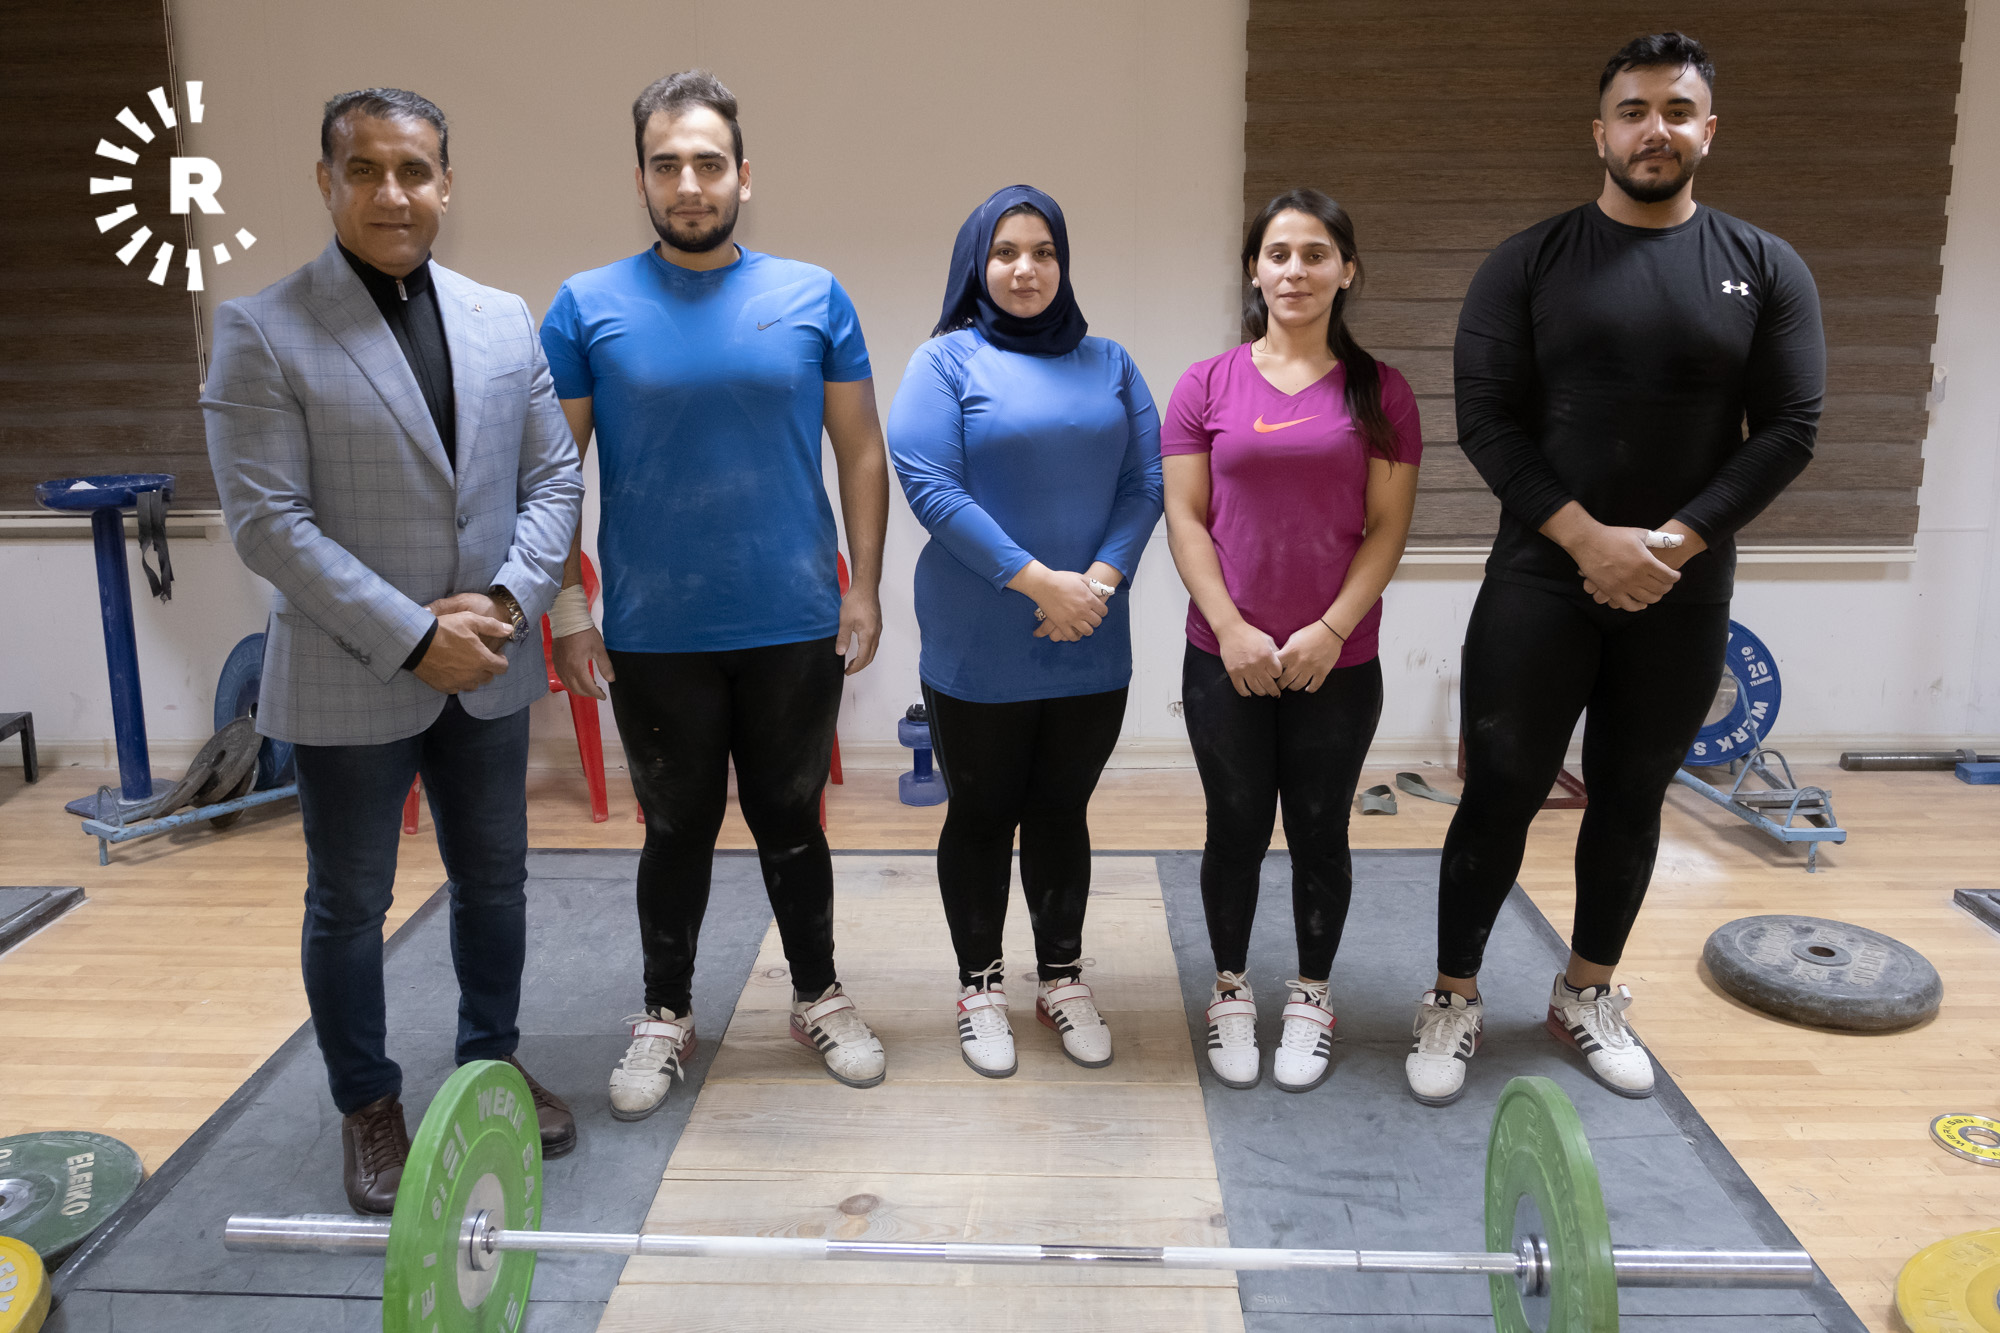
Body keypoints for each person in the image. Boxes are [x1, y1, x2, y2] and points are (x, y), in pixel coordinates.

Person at [1407, 32, 1823, 1106]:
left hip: (1681, 589)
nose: (1654, 129)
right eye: (1633, 111)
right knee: (1500, 791)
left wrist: (1669, 546)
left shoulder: (1765, 266)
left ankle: (1584, 992)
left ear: (1707, 131)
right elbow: (1486, 422)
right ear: (1599, 132)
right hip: (1540, 578)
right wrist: (1590, 541)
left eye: (1676, 111)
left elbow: (1789, 428)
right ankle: (1453, 995)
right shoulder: (1526, 263)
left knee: (1631, 796)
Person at [200, 89, 584, 1213]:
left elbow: (554, 478)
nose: (391, 192)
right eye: (364, 170)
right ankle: (367, 1102)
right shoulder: (262, 328)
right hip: (349, 672)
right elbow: (268, 523)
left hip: (491, 664)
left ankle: (489, 1059)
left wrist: (504, 604)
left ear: (446, 184)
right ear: (326, 183)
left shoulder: (501, 318)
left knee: (495, 879)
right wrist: (416, 637)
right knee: (349, 901)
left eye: (414, 170)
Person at [540, 70, 891, 1118]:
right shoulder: (585, 306)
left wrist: (865, 587)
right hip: (656, 631)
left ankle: (818, 996)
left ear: (744, 174)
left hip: (792, 617)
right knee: (675, 828)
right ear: (640, 179)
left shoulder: (814, 295)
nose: (688, 184)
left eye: (707, 163)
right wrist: (569, 610)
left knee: (793, 822)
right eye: (666, 165)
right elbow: (552, 476)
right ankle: (665, 1011)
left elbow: (860, 451)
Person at [889, 185, 1163, 1078]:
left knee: (1060, 809)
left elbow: (1146, 484)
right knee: (981, 811)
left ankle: (1062, 977)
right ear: (978, 264)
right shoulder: (944, 362)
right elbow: (930, 485)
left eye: (1043, 251)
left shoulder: (1111, 362)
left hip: (1092, 632)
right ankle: (979, 986)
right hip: (980, 638)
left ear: (1063, 263)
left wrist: (1097, 585)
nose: (1025, 268)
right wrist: (1042, 582)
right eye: (1005, 251)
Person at [1162, 189, 1422, 1094]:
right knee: (1234, 827)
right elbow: (1186, 518)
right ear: (1253, 270)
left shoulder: (1382, 391)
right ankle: (1231, 989)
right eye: (1278, 254)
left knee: (1319, 829)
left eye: (1316, 254)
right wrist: (1231, 627)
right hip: (1223, 655)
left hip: (1336, 660)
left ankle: (1311, 994)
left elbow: (1387, 528)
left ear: (1347, 270)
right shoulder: (1204, 385)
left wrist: (1331, 628)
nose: (1296, 271)